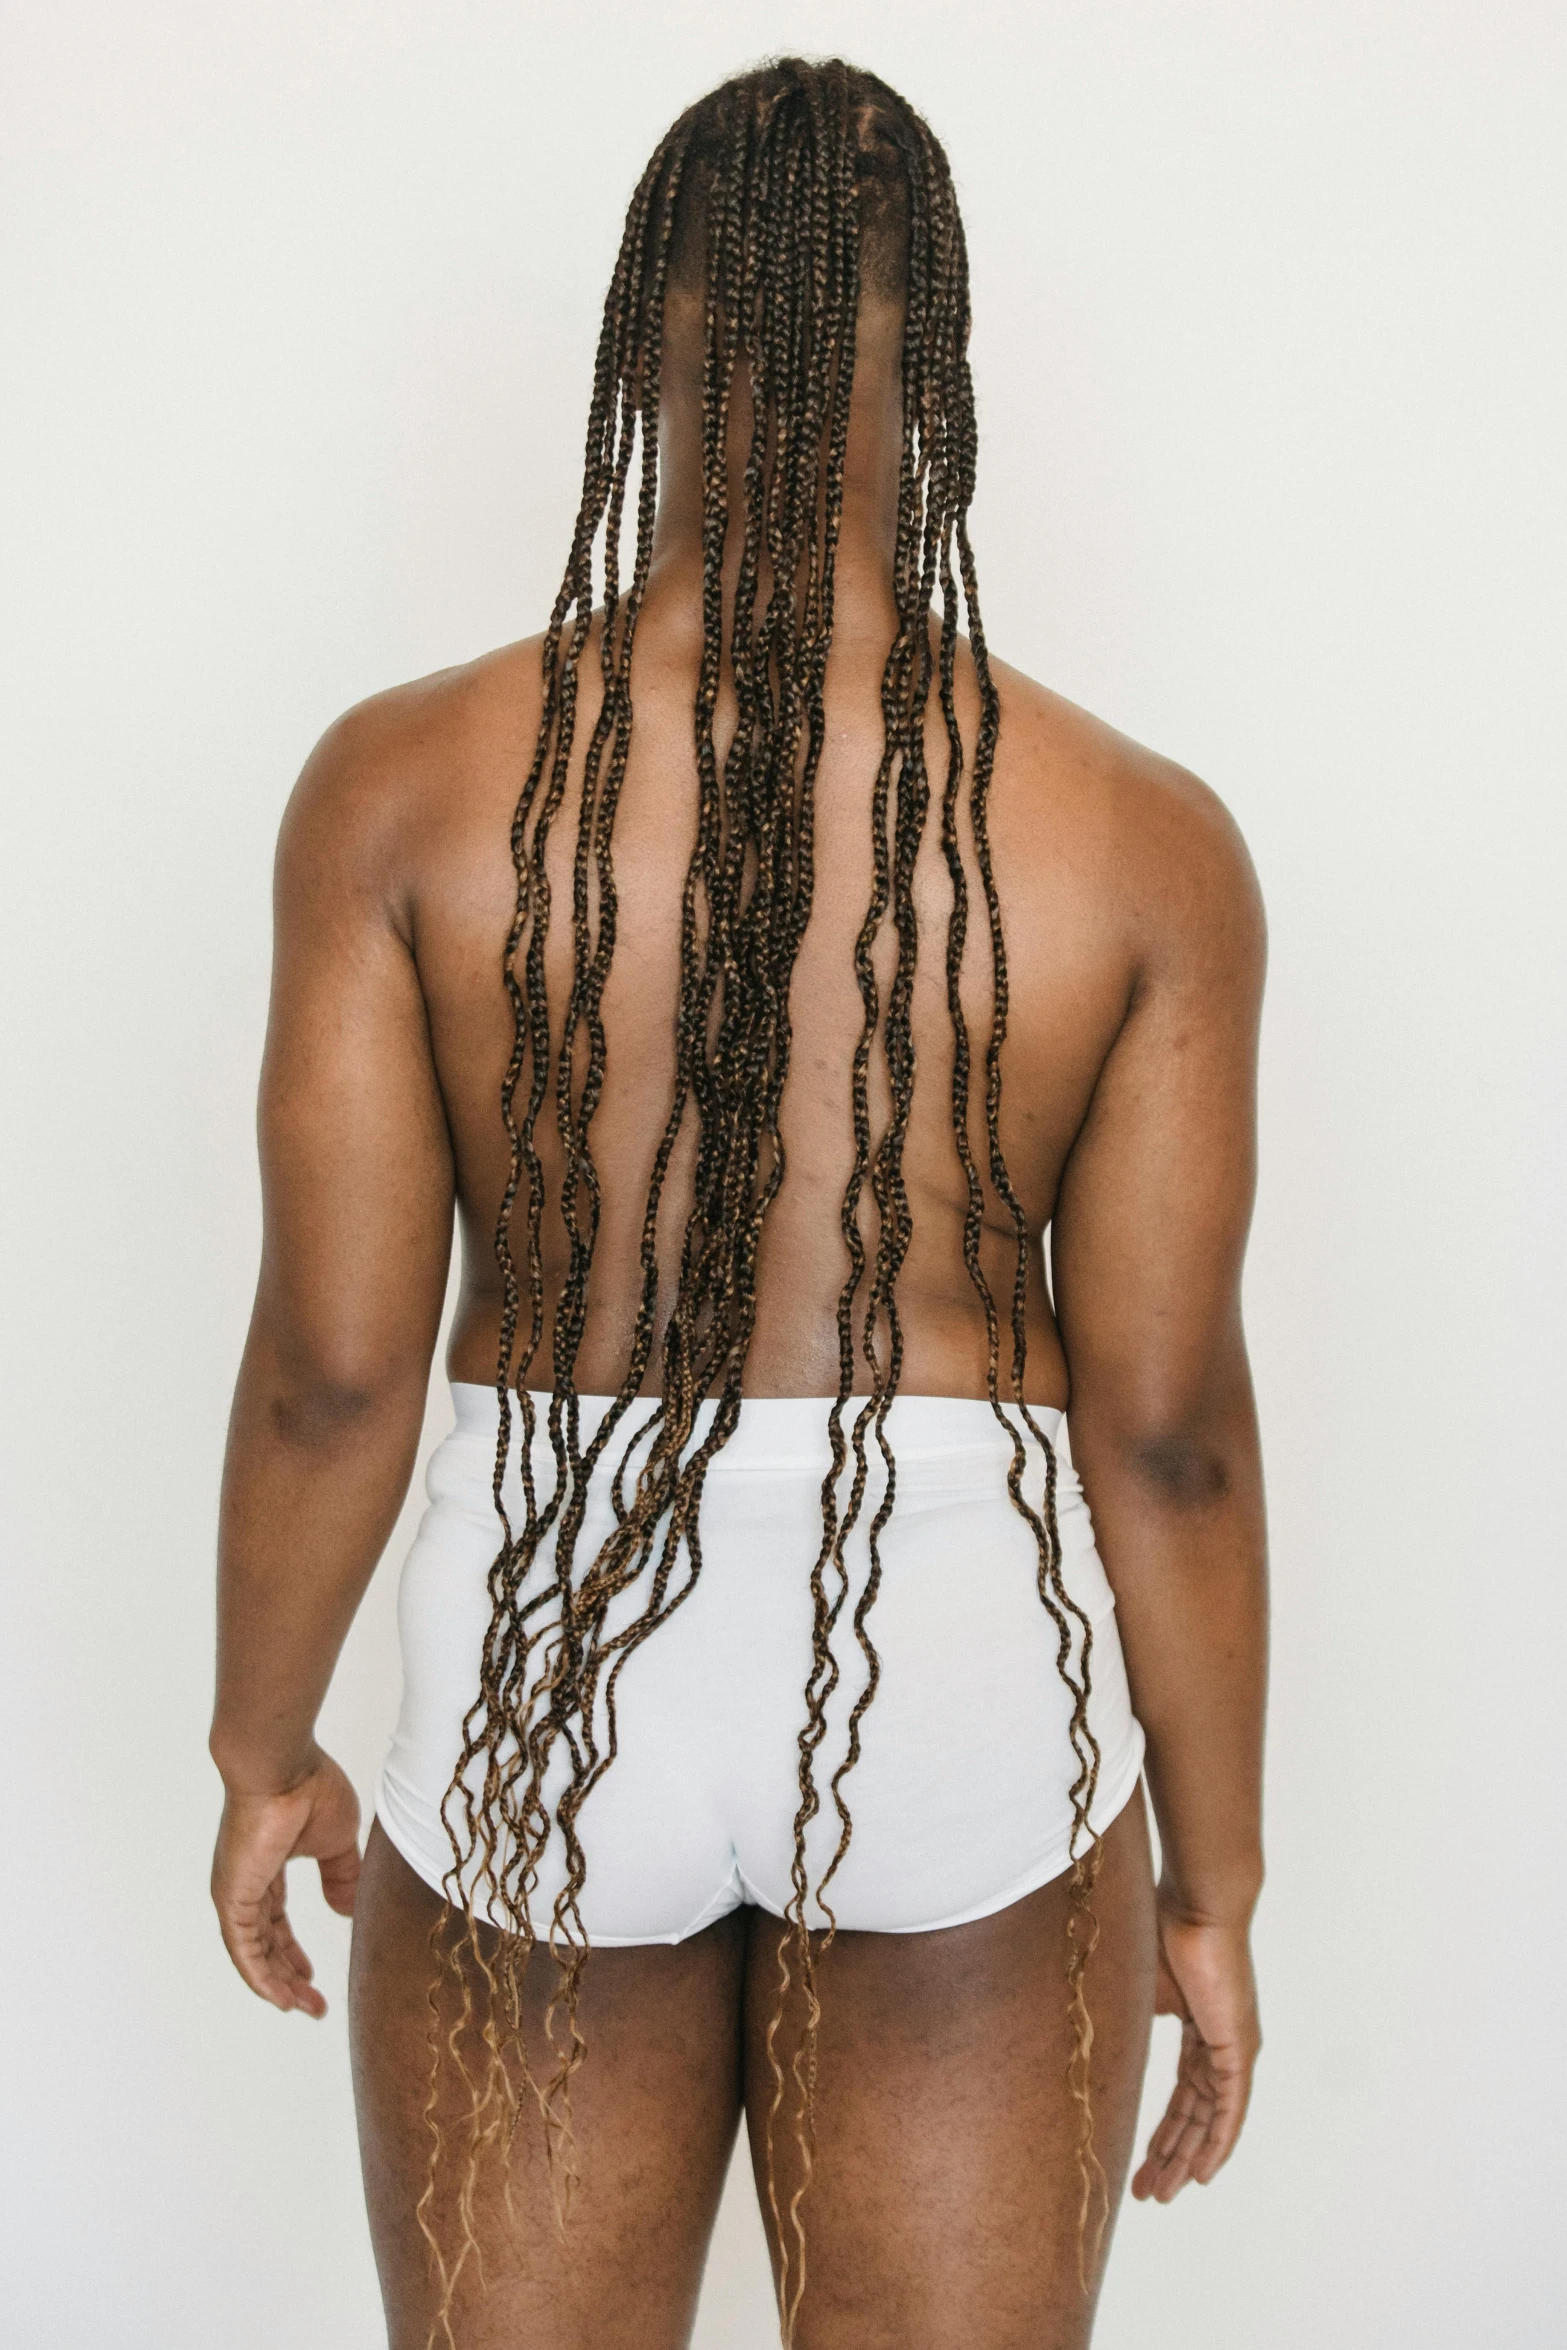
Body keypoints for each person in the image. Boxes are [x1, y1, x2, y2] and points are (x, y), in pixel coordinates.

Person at [209, 56, 1266, 2350]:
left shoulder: (402, 791)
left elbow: (334, 1370)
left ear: (645, 345)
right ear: (938, 371)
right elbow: (1170, 1425)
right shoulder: (1137, 836)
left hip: (545, 1656)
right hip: (965, 1657)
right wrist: (1216, 1876)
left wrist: (261, 1742)